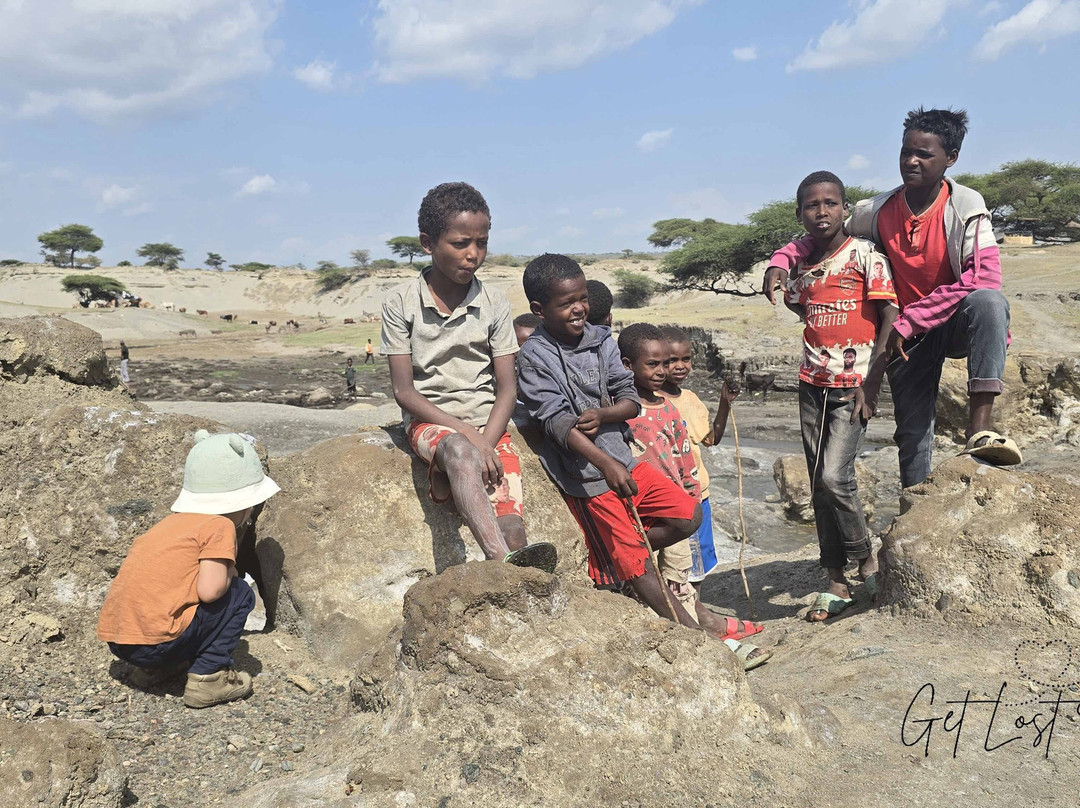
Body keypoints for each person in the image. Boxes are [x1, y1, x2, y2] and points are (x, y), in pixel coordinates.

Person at [516, 254, 768, 671]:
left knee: (687, 516)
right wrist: (605, 464)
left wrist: (605, 415)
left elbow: (629, 399)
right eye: (567, 304)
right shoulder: (534, 357)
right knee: (641, 566)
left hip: (625, 460)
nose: (579, 309)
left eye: (582, 299)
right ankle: (703, 641)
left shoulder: (600, 339)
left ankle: (622, 558)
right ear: (540, 310)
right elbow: (557, 423)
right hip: (587, 477)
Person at [764, 108, 1018, 489]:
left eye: (924, 154)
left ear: (951, 158)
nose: (911, 161)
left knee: (990, 303)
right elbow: (825, 233)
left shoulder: (966, 206)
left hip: (946, 324)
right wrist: (782, 260)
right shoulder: (876, 211)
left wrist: (912, 318)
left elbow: (984, 278)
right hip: (905, 339)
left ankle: (979, 429)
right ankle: (915, 503)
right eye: (906, 152)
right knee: (913, 436)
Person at [380, 181, 556, 572]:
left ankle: (515, 571)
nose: (473, 254)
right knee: (459, 452)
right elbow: (404, 391)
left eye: (482, 243)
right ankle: (498, 561)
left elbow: (507, 389)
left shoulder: (494, 302)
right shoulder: (401, 303)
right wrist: (469, 437)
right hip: (432, 423)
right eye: (460, 244)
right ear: (428, 243)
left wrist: (487, 442)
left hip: (490, 426)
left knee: (512, 529)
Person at [774, 171, 899, 620]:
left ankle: (866, 559)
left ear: (845, 209)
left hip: (854, 387)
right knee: (818, 486)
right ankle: (835, 579)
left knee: (833, 477)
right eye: (812, 205)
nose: (821, 211)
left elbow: (889, 316)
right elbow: (802, 307)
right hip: (812, 386)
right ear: (799, 214)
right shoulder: (801, 266)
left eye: (830, 203)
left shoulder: (865, 255)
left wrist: (873, 381)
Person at [97, 430, 280, 708]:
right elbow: (210, 591)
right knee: (240, 593)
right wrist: (230, 573)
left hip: (121, 642)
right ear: (243, 503)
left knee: (179, 606)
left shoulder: (169, 524)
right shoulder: (219, 525)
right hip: (158, 644)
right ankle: (209, 678)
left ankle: (155, 669)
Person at [622, 324, 767, 658]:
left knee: (681, 577)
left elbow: (689, 458)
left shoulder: (673, 408)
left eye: (677, 361)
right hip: (644, 510)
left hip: (680, 507)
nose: (670, 369)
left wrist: (690, 499)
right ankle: (687, 635)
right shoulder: (622, 409)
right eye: (659, 363)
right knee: (645, 573)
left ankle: (700, 640)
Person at [658, 326, 752, 626]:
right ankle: (684, 617)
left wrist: (725, 402)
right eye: (671, 360)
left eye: (685, 359)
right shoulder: (646, 400)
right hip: (667, 497)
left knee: (696, 563)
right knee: (671, 562)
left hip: (697, 494)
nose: (680, 366)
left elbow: (711, 438)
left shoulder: (690, 399)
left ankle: (695, 614)